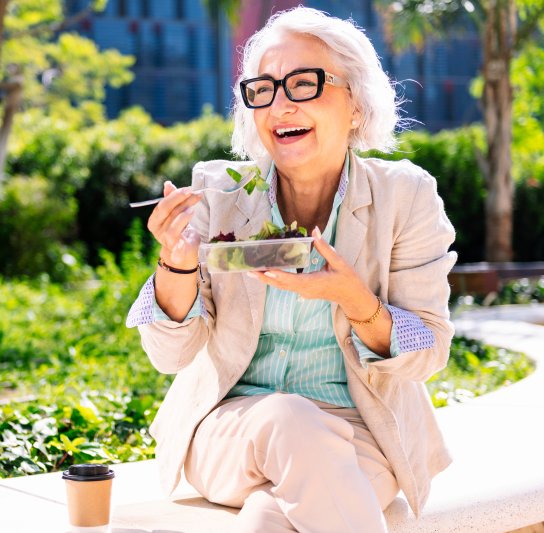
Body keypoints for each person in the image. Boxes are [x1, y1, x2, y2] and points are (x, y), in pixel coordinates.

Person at [126, 6, 458, 532]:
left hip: (360, 432)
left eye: (304, 83)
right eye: (263, 89)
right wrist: (177, 264)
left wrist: (356, 301)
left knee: (271, 517)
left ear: (356, 104)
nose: (280, 105)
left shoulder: (406, 196)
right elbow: (170, 356)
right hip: (231, 429)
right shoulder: (221, 195)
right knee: (289, 419)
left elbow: (429, 353)